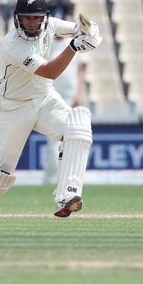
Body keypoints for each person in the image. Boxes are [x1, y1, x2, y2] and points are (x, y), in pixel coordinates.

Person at [0, 0, 102, 218]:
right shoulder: (12, 45)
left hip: (44, 98)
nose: (32, 23)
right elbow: (50, 71)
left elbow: (78, 29)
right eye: (27, 18)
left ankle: (68, 196)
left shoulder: (51, 25)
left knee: (78, 129)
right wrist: (74, 47)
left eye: (37, 18)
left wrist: (90, 31)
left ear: (44, 18)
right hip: (14, 107)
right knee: (0, 172)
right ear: (17, 18)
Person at [44, 36, 85, 184]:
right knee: (55, 140)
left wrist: (79, 93)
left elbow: (80, 71)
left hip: (69, 97)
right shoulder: (46, 43)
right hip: (51, 96)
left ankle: (62, 177)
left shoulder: (73, 43)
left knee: (68, 138)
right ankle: (52, 178)